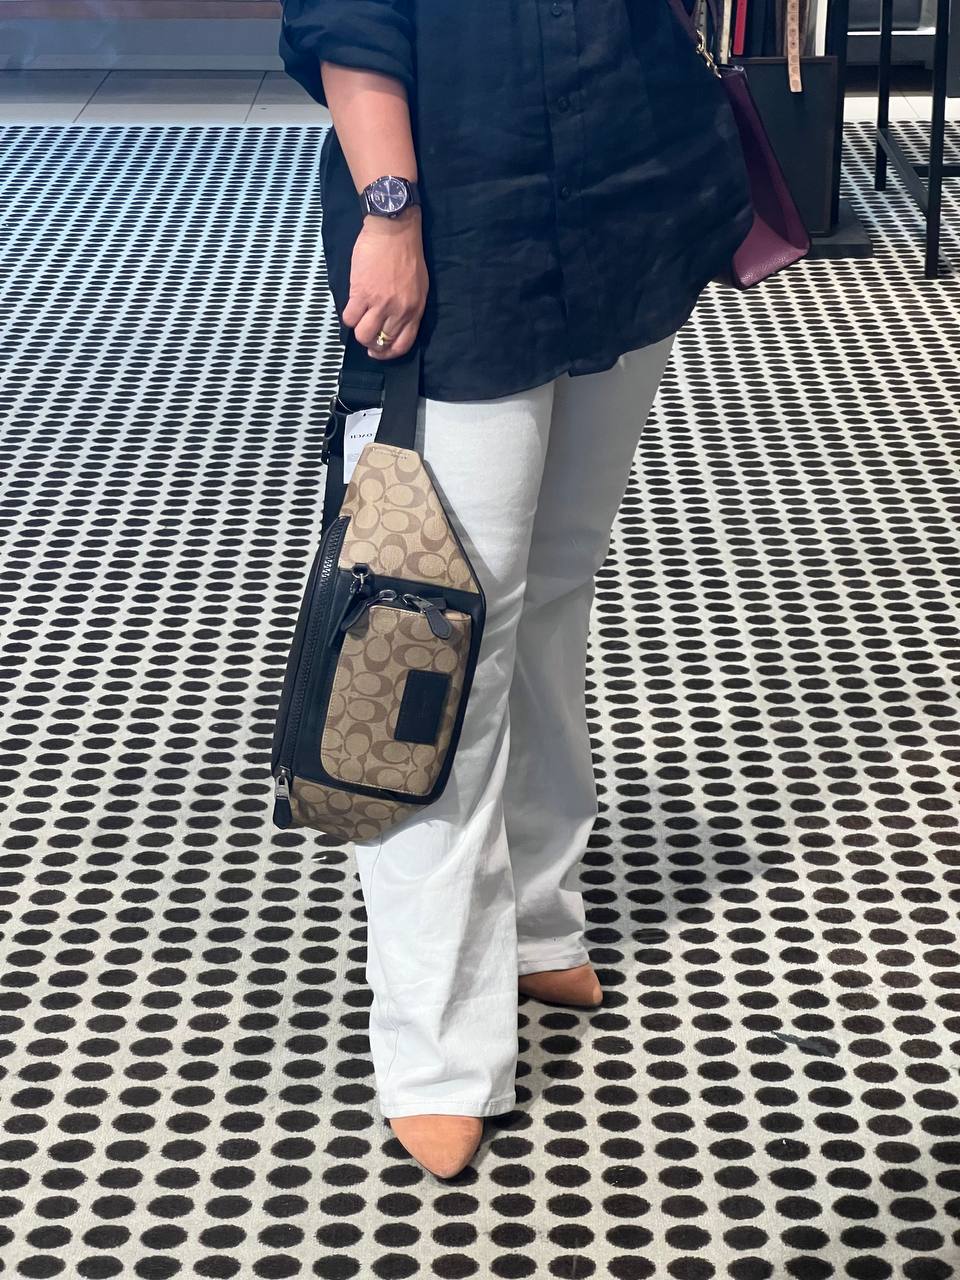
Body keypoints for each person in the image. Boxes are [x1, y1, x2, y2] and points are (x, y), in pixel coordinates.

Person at [277, 0, 753, 1178]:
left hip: (627, 190)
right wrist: (390, 209)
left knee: (554, 589)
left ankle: (539, 914)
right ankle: (438, 1045)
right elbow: (348, 21)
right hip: (460, 217)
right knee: (431, 634)